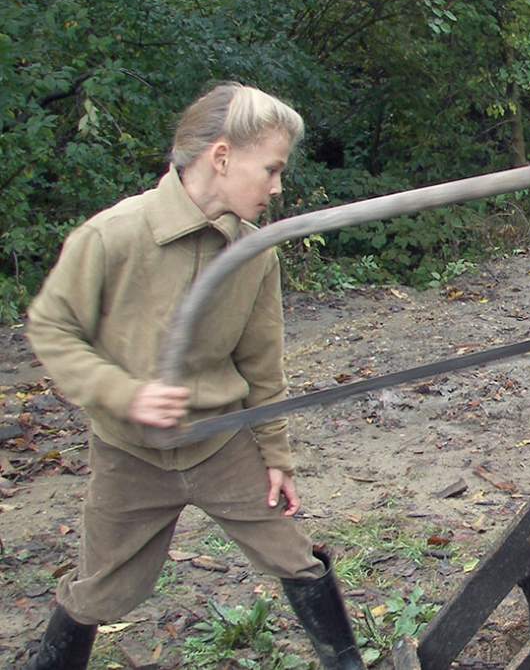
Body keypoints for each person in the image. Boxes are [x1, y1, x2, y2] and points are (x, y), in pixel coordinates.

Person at [22, 83, 365, 670]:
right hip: (130, 453)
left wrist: (276, 455)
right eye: (272, 169)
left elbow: (262, 362)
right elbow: (52, 329)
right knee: (102, 591)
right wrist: (126, 395)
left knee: (295, 558)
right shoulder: (112, 236)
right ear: (223, 156)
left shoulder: (256, 252)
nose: (279, 187)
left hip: (223, 444)